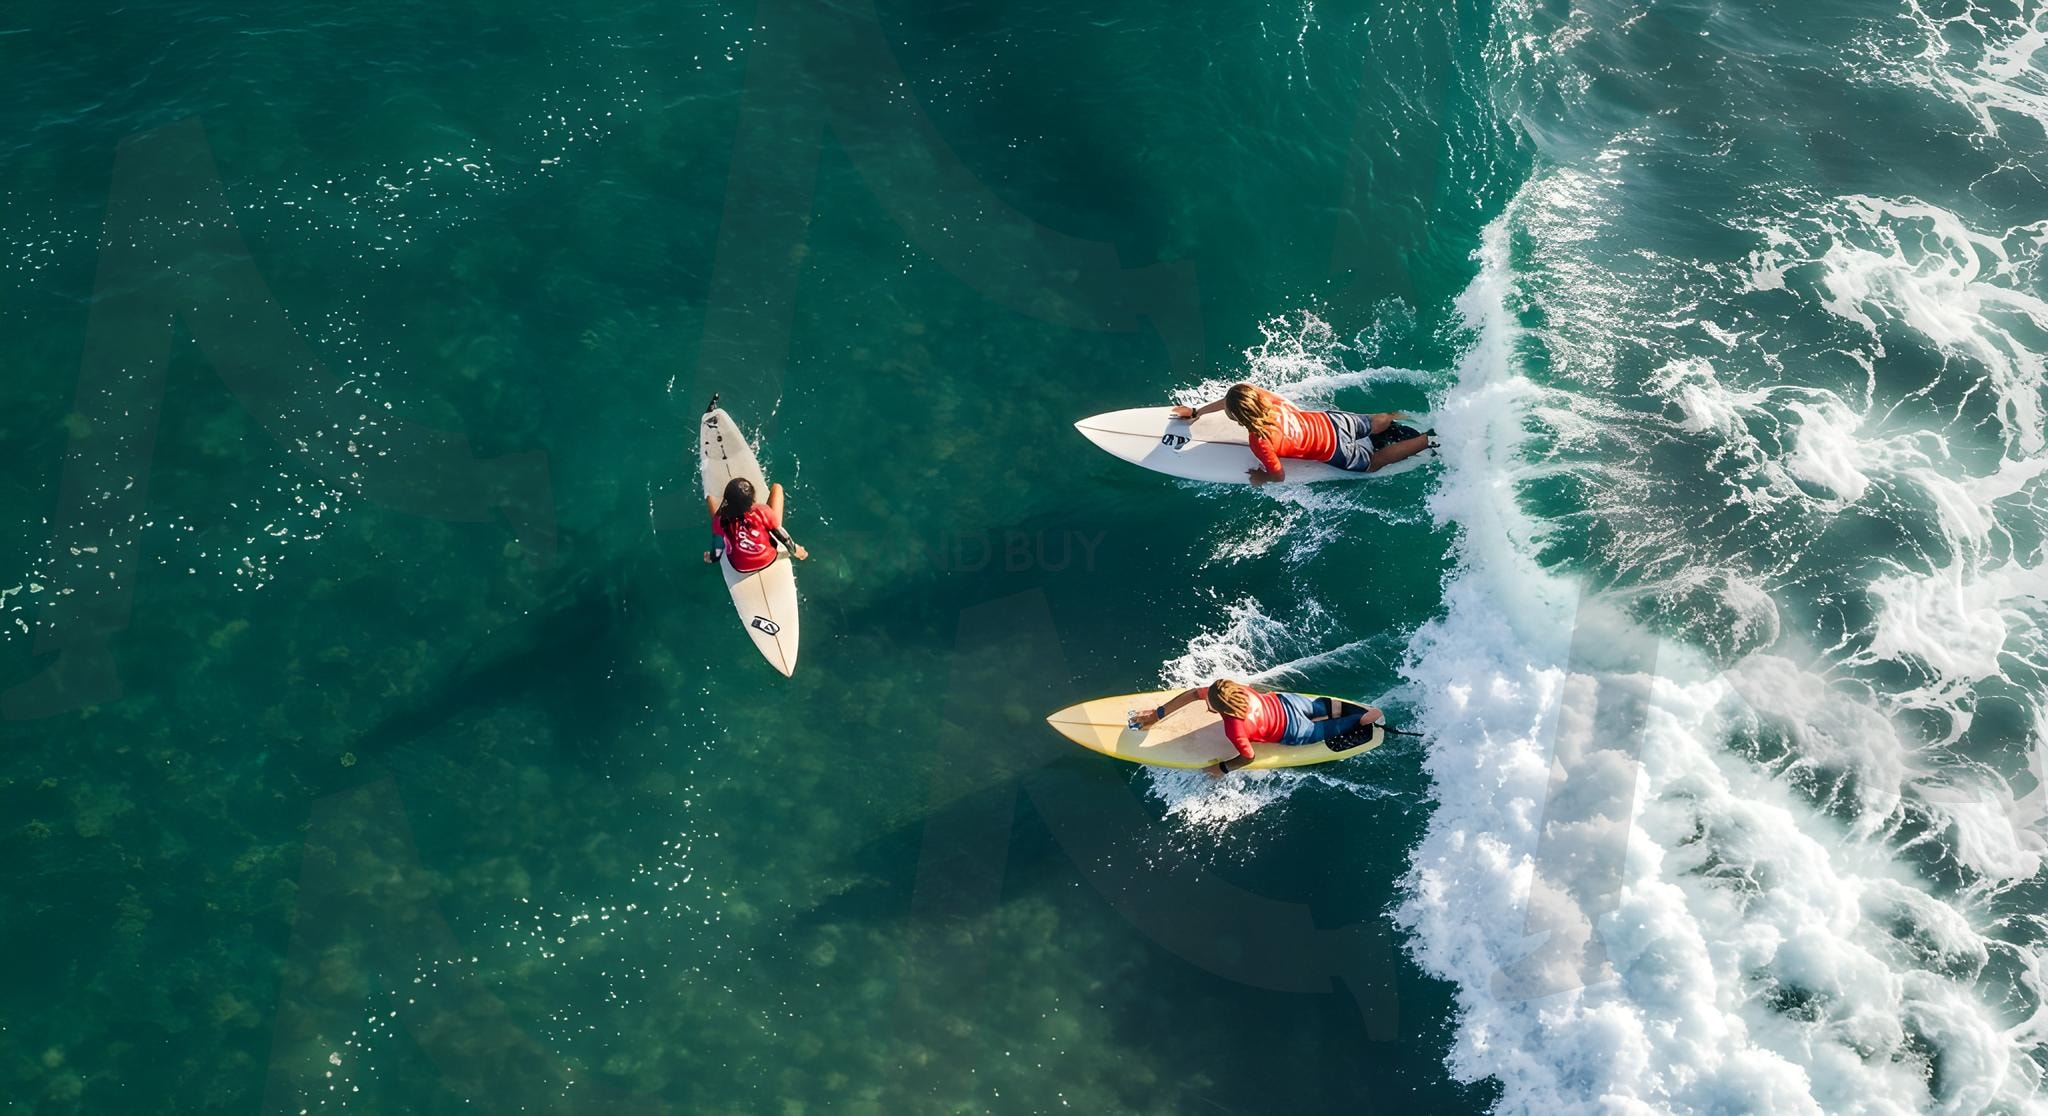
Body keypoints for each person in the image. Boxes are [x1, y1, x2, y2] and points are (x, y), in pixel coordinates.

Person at [1170, 382, 1434, 484]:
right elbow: (1234, 400)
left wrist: (1263, 477)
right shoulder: (1266, 400)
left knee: (1375, 463)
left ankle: (1428, 439)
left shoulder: (1260, 440)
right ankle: (1395, 418)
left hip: (1335, 449)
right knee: (1373, 422)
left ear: (1238, 418)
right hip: (1334, 421)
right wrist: (1196, 411)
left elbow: (1280, 475)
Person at [1130, 678, 1381, 778]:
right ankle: (1333, 708)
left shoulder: (1235, 727)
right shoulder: (1238, 690)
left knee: (1333, 729)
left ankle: (1361, 719)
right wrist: (1157, 714)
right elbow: (1196, 693)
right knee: (1318, 707)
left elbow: (1248, 756)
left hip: (1293, 730)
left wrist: (1222, 768)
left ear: (1221, 708)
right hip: (1287, 702)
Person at [702, 477, 808, 571]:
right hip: (768, 559)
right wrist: (797, 551)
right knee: (777, 488)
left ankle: (710, 498)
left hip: (740, 567)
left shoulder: (720, 519)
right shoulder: (762, 511)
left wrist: (711, 558)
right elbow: (784, 538)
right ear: (751, 500)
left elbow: (717, 553)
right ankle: (771, 523)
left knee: (711, 503)